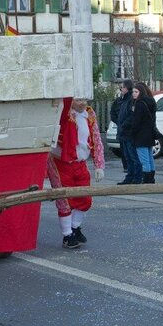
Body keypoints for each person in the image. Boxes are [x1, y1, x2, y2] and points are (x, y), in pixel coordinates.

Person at [47, 97, 105, 249]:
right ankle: (67, 235)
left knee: (85, 198)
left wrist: (99, 165)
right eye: (79, 100)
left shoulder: (89, 114)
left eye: (85, 99)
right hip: (61, 163)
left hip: (80, 163)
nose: (83, 103)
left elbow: (96, 138)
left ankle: (75, 227)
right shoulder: (63, 113)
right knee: (65, 200)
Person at [113, 80, 143, 186]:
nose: (121, 89)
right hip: (123, 132)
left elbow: (131, 115)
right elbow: (116, 114)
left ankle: (137, 177)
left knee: (133, 156)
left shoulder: (131, 100)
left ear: (127, 88)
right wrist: (120, 124)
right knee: (127, 157)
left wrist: (124, 125)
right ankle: (130, 177)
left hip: (129, 133)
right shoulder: (123, 100)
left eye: (122, 87)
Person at [129, 81, 158, 184]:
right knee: (149, 158)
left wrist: (132, 132)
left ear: (141, 92)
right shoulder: (151, 102)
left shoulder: (139, 104)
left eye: (136, 92)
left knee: (144, 160)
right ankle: (151, 178)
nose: (134, 94)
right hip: (149, 134)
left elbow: (136, 122)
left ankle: (147, 180)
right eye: (133, 92)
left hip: (141, 135)